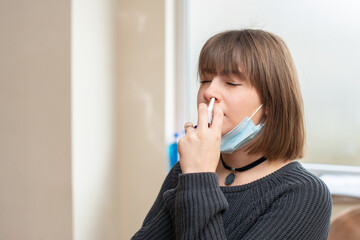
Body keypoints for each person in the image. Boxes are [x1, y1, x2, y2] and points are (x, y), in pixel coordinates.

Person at [132, 29, 332, 239]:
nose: (209, 92)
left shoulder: (305, 194)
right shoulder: (188, 168)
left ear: (271, 103)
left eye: (231, 83)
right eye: (205, 80)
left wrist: (199, 178)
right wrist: (192, 175)